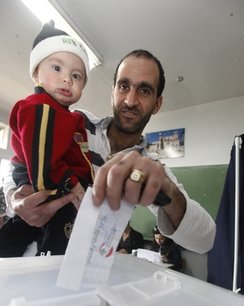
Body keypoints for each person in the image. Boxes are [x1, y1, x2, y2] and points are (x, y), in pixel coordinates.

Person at [3, 49, 216, 256]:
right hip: (29, 266)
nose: (131, 101)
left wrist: (166, 190)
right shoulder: (74, 123)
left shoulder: (150, 168)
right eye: (124, 86)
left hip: (87, 280)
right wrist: (14, 199)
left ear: (157, 104)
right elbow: (18, 164)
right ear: (112, 91)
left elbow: (205, 239)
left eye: (144, 90)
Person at [0, 21, 94, 257]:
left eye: (76, 75)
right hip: (49, 181)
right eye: (56, 68)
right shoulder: (41, 108)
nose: (67, 79)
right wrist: (74, 185)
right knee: (59, 240)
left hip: (48, 178)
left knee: (27, 229)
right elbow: (45, 165)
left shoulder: (62, 114)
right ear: (35, 74)